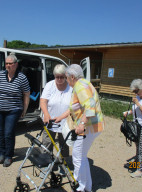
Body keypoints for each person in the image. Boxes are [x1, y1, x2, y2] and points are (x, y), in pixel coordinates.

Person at [56, 64, 104, 192]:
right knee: (81, 157)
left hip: (89, 127)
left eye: (66, 77)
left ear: (72, 76)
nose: (66, 80)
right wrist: (60, 117)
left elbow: (90, 107)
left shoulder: (80, 86)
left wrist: (82, 124)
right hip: (91, 126)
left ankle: (80, 188)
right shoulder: (83, 83)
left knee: (77, 157)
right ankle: (86, 187)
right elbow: (76, 107)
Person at [0, 53, 30, 167]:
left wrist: (24, 109)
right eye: (6, 63)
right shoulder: (0, 75)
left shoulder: (22, 77)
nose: (8, 66)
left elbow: (26, 94)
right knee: (0, 132)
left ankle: (8, 156)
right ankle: (1, 153)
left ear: (16, 64)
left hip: (14, 109)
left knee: (8, 133)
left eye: (10, 63)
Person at [40, 64, 73, 174]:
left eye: (62, 77)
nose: (59, 79)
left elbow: (73, 106)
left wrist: (62, 116)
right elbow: (43, 101)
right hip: (50, 120)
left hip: (65, 122)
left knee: (64, 145)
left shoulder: (71, 87)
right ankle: (46, 165)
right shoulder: (49, 85)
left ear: (66, 76)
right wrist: (46, 114)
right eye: (57, 77)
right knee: (47, 143)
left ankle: (63, 165)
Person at [123, 79, 142, 178]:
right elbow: (135, 109)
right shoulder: (138, 96)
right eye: (134, 92)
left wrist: (138, 103)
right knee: (137, 145)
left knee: (141, 146)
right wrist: (129, 113)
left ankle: (140, 170)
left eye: (136, 91)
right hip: (137, 125)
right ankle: (136, 163)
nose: (135, 93)